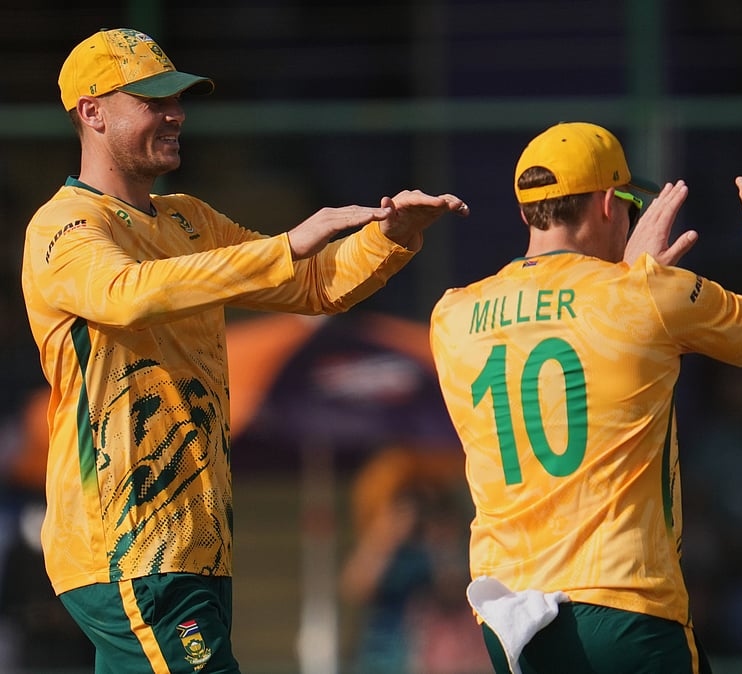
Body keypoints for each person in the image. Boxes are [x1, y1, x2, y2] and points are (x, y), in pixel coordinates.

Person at [21, 28, 467, 673]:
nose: (175, 114)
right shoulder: (64, 226)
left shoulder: (188, 220)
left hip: (194, 545)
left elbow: (312, 285)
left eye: (178, 100)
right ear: (91, 112)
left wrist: (392, 239)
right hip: (126, 547)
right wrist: (285, 244)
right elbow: (123, 295)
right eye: (151, 99)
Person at [429, 121, 742, 673]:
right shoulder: (647, 295)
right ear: (605, 204)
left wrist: (622, 274)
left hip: (509, 621)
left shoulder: (452, 315)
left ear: (527, 213)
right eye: (628, 203)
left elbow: (570, 344)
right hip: (624, 604)